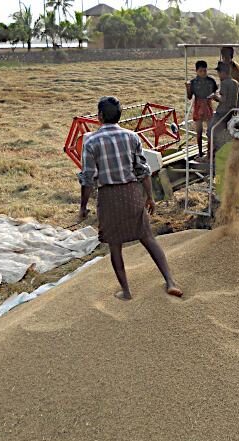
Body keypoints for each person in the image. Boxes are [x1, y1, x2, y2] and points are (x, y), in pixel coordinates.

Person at [79, 96, 182, 301]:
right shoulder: (131, 137)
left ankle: (126, 291)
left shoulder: (90, 140)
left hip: (109, 196)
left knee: (115, 245)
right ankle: (170, 281)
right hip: (132, 193)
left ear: (100, 116)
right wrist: (150, 197)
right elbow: (143, 170)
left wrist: (82, 207)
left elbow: (87, 179)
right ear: (119, 116)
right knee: (147, 238)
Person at [185, 60, 218, 158]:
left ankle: (209, 152)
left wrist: (214, 96)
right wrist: (188, 88)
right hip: (198, 106)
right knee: (199, 132)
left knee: (210, 131)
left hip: (208, 106)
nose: (203, 73)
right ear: (196, 71)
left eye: (205, 71)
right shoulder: (193, 82)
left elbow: (216, 93)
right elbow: (190, 97)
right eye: (201, 71)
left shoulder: (211, 81)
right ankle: (200, 152)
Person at [210, 60, 239, 153]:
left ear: (223, 72)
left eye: (218, 73)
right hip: (232, 112)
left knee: (210, 131)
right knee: (226, 133)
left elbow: (223, 99)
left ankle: (210, 156)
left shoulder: (224, 83)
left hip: (222, 112)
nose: (218, 75)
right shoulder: (236, 83)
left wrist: (215, 97)